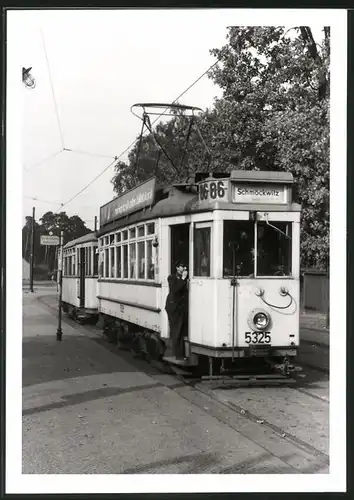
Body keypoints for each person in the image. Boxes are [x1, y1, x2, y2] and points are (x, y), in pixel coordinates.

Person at [165, 261, 189, 360]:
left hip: (181, 308)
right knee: (176, 330)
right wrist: (183, 279)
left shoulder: (183, 279)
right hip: (173, 308)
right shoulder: (172, 278)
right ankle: (178, 355)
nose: (182, 269)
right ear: (177, 268)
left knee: (181, 330)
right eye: (180, 267)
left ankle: (181, 353)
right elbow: (175, 290)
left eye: (184, 267)